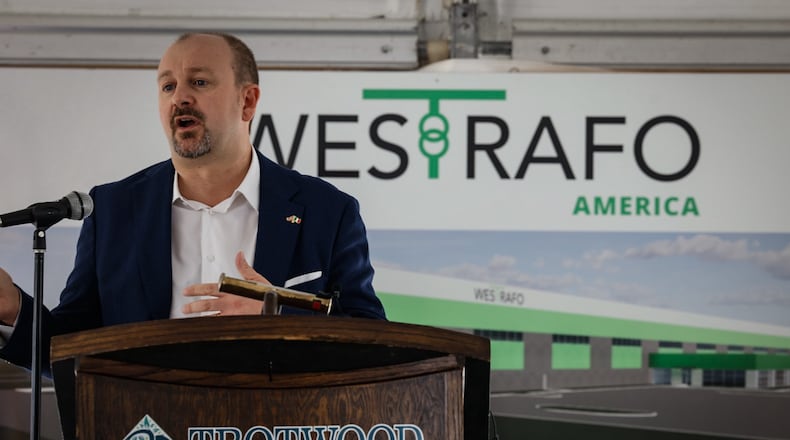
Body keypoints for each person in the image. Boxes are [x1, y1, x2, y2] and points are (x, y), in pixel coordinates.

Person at [0, 32, 386, 374]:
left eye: (199, 82)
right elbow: (73, 348)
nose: (180, 98)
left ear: (247, 101)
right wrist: (14, 310)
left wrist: (277, 317)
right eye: (168, 86)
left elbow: (372, 339)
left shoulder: (327, 211)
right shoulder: (113, 209)